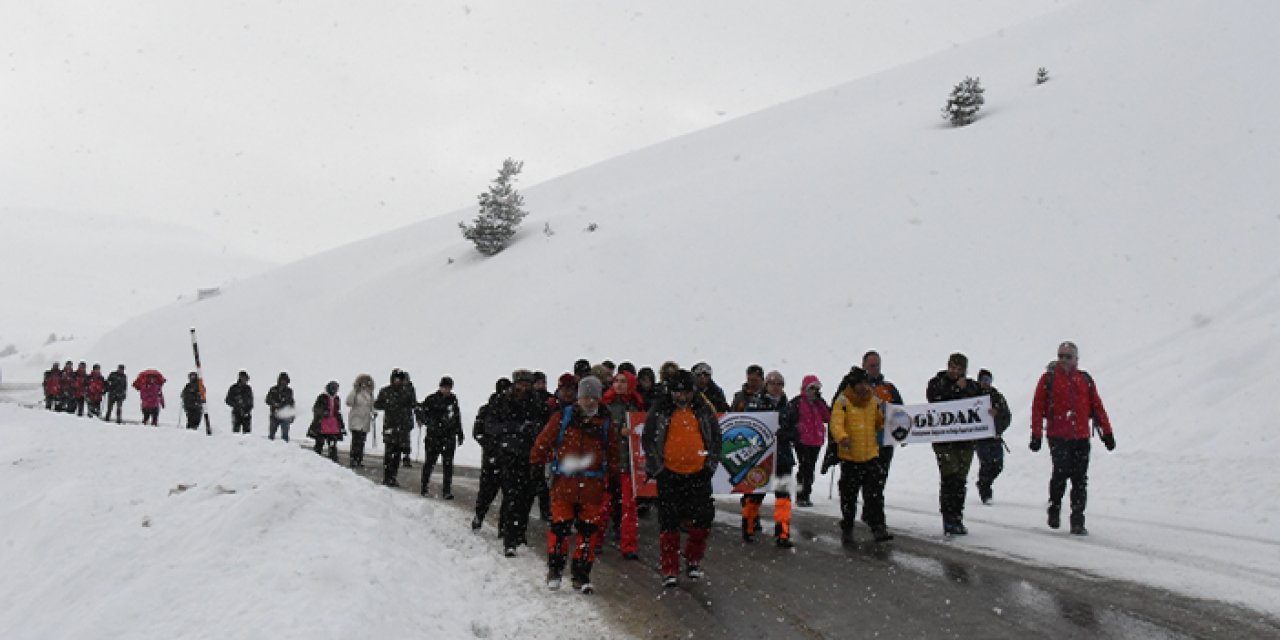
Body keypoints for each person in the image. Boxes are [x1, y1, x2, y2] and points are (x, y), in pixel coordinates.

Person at [530, 376, 620, 593]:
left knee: (588, 533)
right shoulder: (563, 418)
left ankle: (581, 575)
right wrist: (535, 464)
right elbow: (543, 442)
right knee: (560, 530)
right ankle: (555, 570)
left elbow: (613, 453)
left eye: (593, 397)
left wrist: (614, 477)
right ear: (579, 397)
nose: (589, 401)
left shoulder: (605, 424)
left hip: (592, 487)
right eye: (586, 396)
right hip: (564, 484)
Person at [642, 369, 722, 588]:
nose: (682, 397)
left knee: (703, 521)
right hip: (669, 475)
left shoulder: (703, 409)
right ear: (671, 392)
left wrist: (710, 466)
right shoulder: (661, 410)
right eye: (678, 392)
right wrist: (658, 469)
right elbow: (648, 440)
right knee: (669, 524)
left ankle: (693, 559)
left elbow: (716, 438)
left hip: (699, 474)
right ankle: (669, 568)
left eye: (686, 392)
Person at [1030, 341, 1115, 535]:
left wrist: (1107, 433)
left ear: (1076, 359)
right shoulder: (1048, 379)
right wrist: (1036, 435)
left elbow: (1098, 407)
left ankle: (1077, 519)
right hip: (1057, 435)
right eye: (1060, 356)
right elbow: (1037, 408)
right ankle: (1055, 507)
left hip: (1081, 436)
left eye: (1068, 356)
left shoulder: (1084, 380)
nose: (1063, 360)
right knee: (1060, 473)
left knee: (1079, 479)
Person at [484, 369, 547, 556]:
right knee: (512, 497)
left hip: (531, 456)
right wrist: (514, 429)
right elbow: (490, 426)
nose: (523, 388)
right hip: (509, 456)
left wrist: (533, 430)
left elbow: (545, 425)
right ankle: (510, 539)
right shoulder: (501, 401)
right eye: (520, 384)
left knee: (527, 498)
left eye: (527, 384)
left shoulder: (537, 403)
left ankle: (520, 533)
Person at [829, 367, 891, 543]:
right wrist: (842, 438)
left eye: (866, 383)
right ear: (854, 384)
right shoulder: (842, 401)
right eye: (861, 383)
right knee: (849, 495)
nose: (865, 386)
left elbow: (879, 422)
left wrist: (888, 421)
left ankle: (878, 527)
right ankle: (847, 522)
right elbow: (836, 423)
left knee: (874, 494)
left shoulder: (872, 401)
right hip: (850, 458)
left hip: (871, 455)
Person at [926, 353, 985, 535]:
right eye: (952, 367)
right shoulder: (937, 382)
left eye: (958, 369)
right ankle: (948, 517)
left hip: (965, 442)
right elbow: (935, 399)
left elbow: (986, 398)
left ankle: (957, 515)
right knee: (949, 477)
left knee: (960, 480)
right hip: (944, 441)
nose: (954, 371)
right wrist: (956, 390)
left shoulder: (973, 386)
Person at [735, 370, 793, 546]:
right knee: (754, 495)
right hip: (760, 457)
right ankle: (749, 528)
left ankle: (783, 534)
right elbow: (747, 426)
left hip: (783, 457)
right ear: (766, 385)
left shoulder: (788, 406)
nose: (776, 387)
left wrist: (786, 433)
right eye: (773, 383)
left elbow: (796, 430)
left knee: (783, 499)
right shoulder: (755, 403)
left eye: (780, 384)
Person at [600, 371, 644, 560]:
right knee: (603, 505)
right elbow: (600, 427)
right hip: (610, 462)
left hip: (629, 464)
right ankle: (594, 541)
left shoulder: (637, 404)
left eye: (623, 381)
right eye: (616, 381)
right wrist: (619, 431)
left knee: (629, 506)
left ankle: (629, 545)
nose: (619, 385)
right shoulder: (606, 404)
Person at [472, 377, 512, 531]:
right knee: (487, 492)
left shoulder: (512, 409)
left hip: (507, 457)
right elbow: (478, 432)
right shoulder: (487, 409)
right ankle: (479, 516)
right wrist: (491, 446)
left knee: (508, 495)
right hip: (492, 458)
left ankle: (503, 527)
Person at [418, 376, 464, 499]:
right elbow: (422, 414)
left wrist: (459, 432)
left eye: (449, 388)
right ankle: (424, 487)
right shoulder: (431, 399)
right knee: (429, 462)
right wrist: (431, 423)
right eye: (444, 387)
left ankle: (446, 490)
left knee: (448, 465)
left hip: (449, 436)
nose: (446, 390)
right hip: (434, 436)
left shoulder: (453, 400)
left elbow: (456, 417)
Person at [788, 375, 829, 507]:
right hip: (802, 440)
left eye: (816, 388)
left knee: (810, 468)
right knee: (805, 467)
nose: (814, 391)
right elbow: (790, 418)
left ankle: (806, 493)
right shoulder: (798, 402)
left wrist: (820, 402)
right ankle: (802, 494)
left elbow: (828, 417)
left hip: (816, 441)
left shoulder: (819, 403)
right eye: (812, 388)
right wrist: (794, 435)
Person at [974, 369, 1012, 505]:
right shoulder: (973, 396)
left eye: (988, 381)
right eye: (983, 380)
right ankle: (985, 491)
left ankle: (984, 483)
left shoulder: (997, 397)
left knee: (997, 466)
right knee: (986, 464)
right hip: (980, 438)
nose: (986, 384)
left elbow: (1007, 416)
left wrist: (998, 421)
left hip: (995, 438)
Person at [375, 369, 417, 487]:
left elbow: (413, 404)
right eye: (396, 378)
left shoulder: (407, 392)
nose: (397, 381)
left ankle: (393, 477)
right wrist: (388, 404)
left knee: (397, 453)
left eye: (400, 379)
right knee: (389, 453)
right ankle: (387, 477)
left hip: (402, 426)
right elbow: (378, 404)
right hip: (390, 425)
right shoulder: (386, 391)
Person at [309, 381, 346, 462]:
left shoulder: (337, 399)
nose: (334, 390)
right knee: (320, 442)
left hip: (333, 425)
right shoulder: (322, 397)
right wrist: (323, 412)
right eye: (333, 388)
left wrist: (342, 426)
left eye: (335, 389)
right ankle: (315, 460)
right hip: (322, 423)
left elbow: (337, 412)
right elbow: (315, 408)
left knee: (332, 443)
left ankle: (333, 460)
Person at [345, 374, 376, 468]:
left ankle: (359, 459)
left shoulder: (370, 393)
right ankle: (353, 459)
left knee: (362, 441)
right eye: (362, 383)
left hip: (365, 420)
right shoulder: (355, 392)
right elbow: (349, 402)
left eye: (366, 383)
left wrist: (374, 412)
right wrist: (355, 391)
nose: (364, 385)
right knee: (356, 440)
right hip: (356, 419)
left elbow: (372, 406)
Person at [265, 372, 296, 442]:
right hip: (274, 414)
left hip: (285, 415)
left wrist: (292, 414)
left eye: (285, 380)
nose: (283, 382)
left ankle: (285, 449)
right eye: (282, 380)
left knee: (285, 435)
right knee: (271, 435)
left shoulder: (289, 391)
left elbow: (291, 403)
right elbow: (267, 400)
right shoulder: (273, 389)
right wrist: (274, 403)